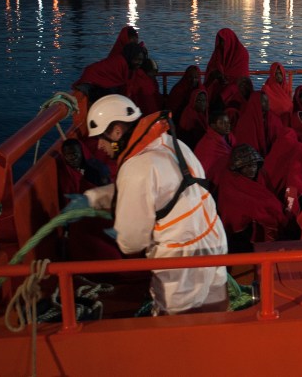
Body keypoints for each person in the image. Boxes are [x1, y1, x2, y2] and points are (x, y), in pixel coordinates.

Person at [78, 94, 228, 315]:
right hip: (215, 246)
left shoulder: (136, 168)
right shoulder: (173, 144)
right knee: (217, 315)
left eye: (100, 138)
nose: (99, 146)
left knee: (179, 330)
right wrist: (96, 197)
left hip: (180, 265)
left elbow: (131, 242)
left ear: (117, 131)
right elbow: (167, 189)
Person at [217, 144, 290, 250]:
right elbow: (239, 207)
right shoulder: (230, 182)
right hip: (242, 234)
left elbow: (268, 197)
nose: (251, 170)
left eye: (253, 166)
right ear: (238, 168)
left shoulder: (260, 176)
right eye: (246, 167)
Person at [205, 28, 249, 106]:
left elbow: (242, 77)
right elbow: (211, 69)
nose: (222, 44)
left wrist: (226, 79)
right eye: (220, 41)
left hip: (236, 87)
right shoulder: (218, 52)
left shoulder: (242, 54)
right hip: (219, 84)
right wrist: (216, 75)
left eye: (223, 41)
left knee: (230, 90)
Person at [193, 109, 236, 187]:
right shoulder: (209, 143)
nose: (227, 125)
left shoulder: (230, 137)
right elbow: (207, 168)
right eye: (222, 123)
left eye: (228, 122)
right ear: (213, 126)